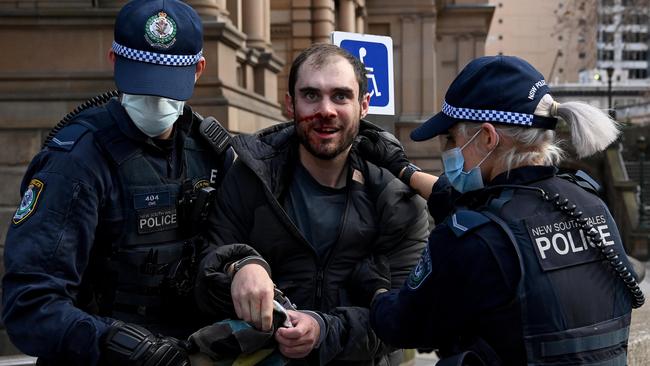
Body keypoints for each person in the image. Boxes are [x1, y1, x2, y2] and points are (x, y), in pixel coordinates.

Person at [354, 55, 644, 365]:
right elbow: (494, 215)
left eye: (451, 138)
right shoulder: (590, 204)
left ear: (488, 137)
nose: (447, 150)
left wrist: (374, 288)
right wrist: (403, 169)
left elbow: (402, 324)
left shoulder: (473, 240)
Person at [1, 0, 234, 365]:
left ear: (198, 70)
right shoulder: (75, 163)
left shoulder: (211, 152)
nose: (155, 101)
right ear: (114, 60)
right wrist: (114, 341)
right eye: (142, 82)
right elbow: (29, 306)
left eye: (166, 85)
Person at [195, 43, 430, 365]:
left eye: (340, 96)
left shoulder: (396, 197)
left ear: (363, 105)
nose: (326, 110)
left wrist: (324, 329)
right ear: (290, 104)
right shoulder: (249, 176)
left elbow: (407, 317)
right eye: (310, 95)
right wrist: (240, 266)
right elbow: (208, 272)